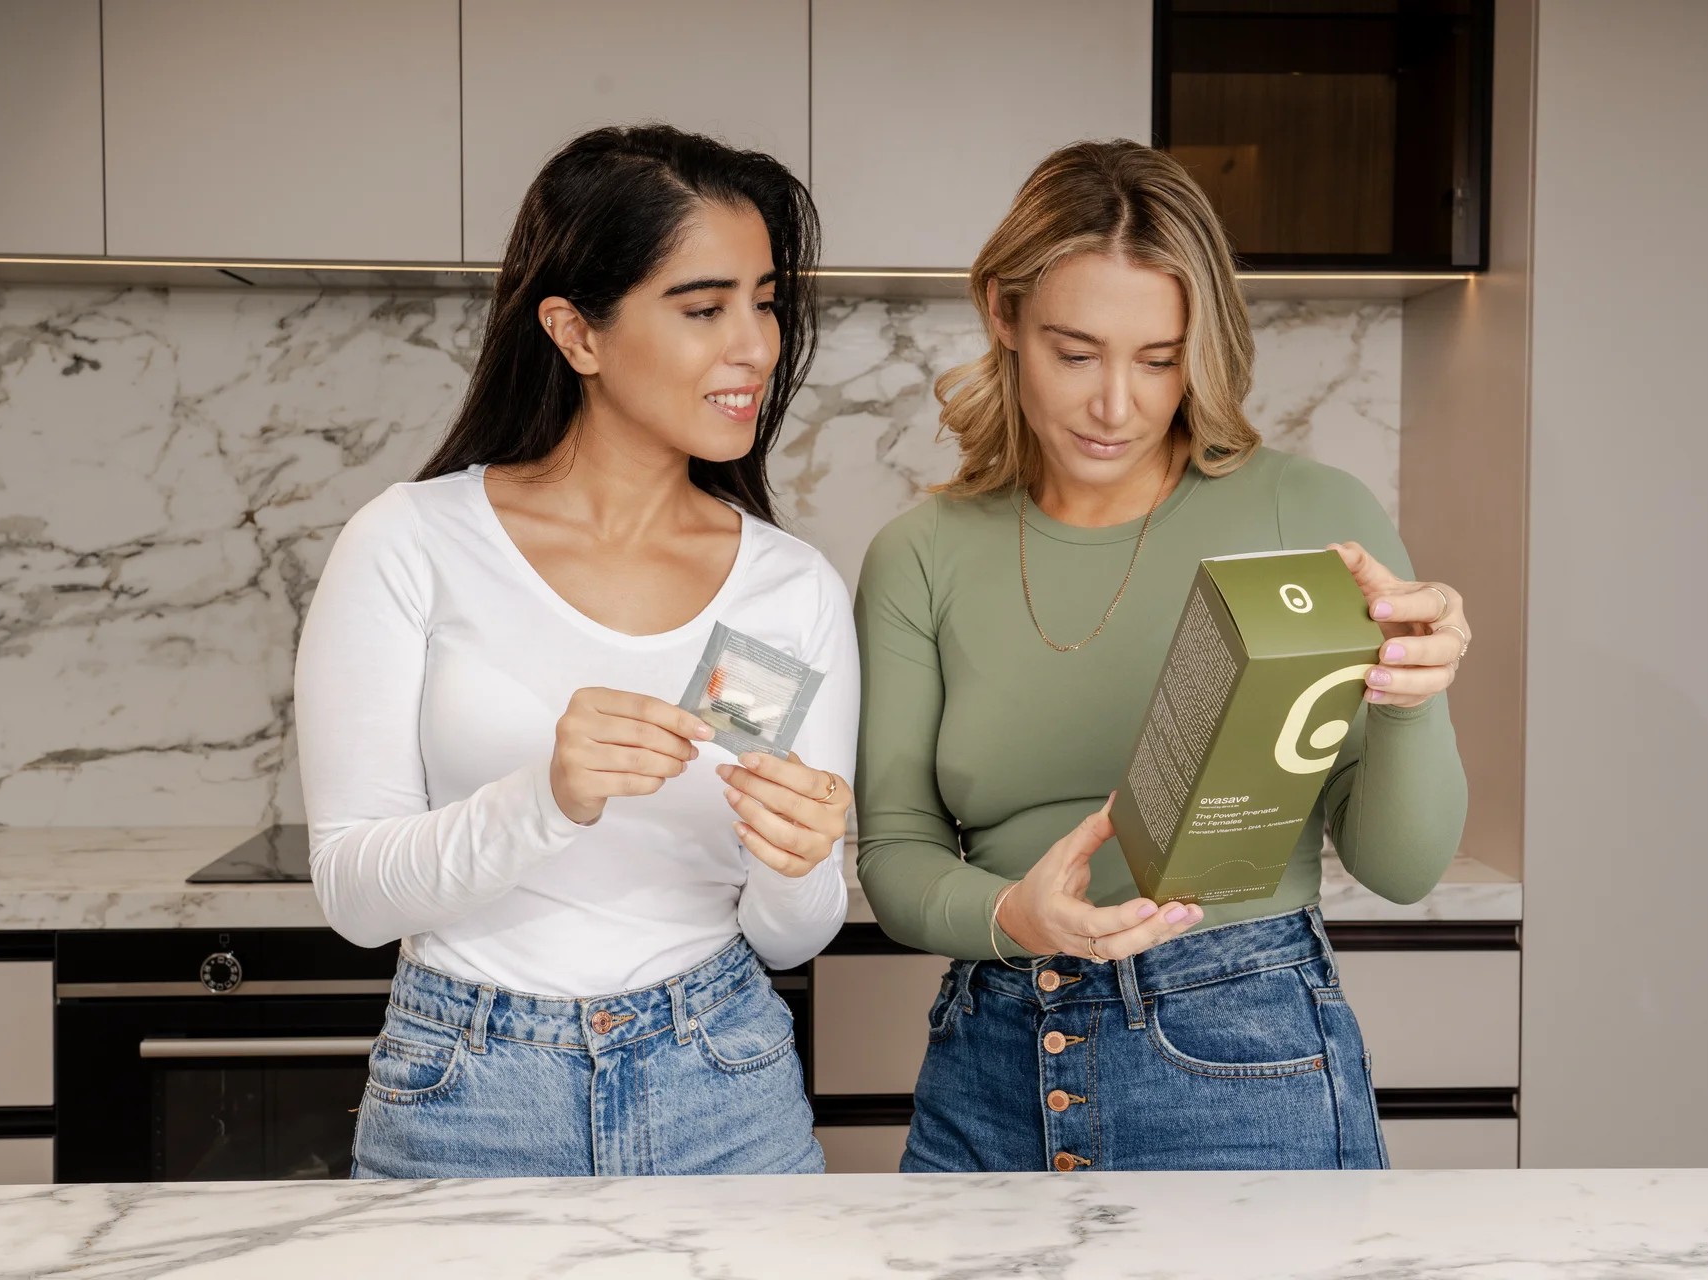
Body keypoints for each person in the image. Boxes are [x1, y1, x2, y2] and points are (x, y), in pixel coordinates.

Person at [854, 140, 1472, 1173]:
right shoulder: (921, 553)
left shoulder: (1308, 515)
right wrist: (1011, 911)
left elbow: (1402, 868)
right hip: (991, 1054)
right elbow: (898, 851)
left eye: (1158, 357)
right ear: (1002, 317)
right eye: (1075, 349)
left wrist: (1411, 698)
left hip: (1239, 1049)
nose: (1116, 405)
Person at [294, 125, 855, 1179]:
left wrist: (803, 854)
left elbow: (789, 936)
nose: (755, 346)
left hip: (721, 1085)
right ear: (576, 332)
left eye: (765, 300)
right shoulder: (412, 542)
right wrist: (545, 795)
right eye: (703, 308)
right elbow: (355, 895)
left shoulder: (788, 591)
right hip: (466, 1092)